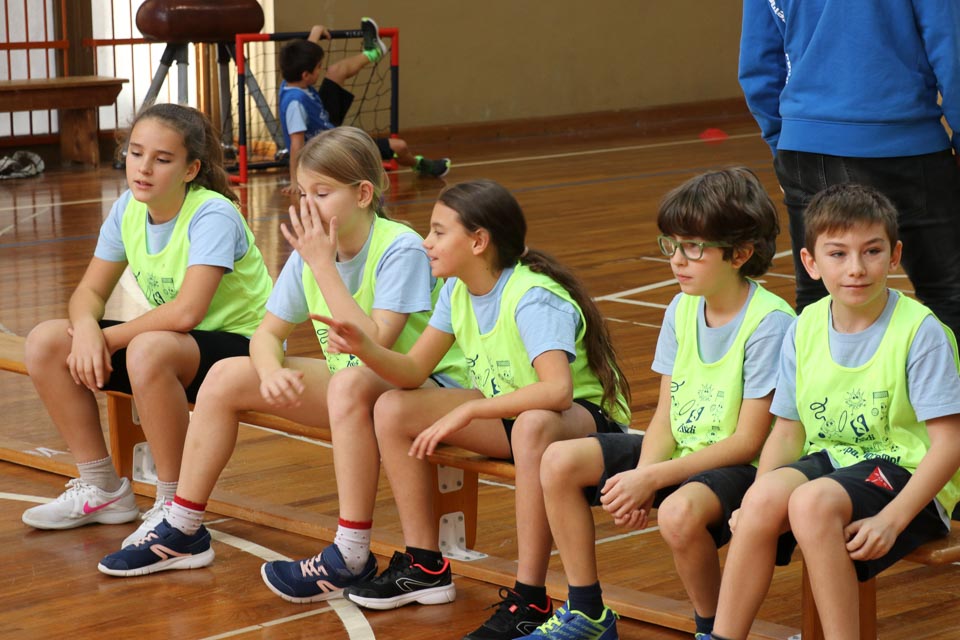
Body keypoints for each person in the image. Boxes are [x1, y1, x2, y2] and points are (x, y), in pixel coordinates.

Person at [97, 126, 466, 586]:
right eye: (302, 193)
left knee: (350, 380)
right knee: (227, 376)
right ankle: (183, 527)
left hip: (421, 387)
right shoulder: (313, 249)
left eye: (322, 194)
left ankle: (350, 553)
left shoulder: (399, 247)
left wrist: (323, 266)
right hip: (355, 385)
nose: (308, 206)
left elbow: (374, 343)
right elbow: (267, 334)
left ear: (363, 194)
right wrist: (270, 371)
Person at [313, 179, 632, 640]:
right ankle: (424, 564)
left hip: (584, 421)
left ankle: (530, 598)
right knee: (393, 408)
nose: (427, 242)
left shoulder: (532, 296)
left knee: (531, 426)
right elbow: (412, 371)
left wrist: (470, 412)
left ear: (479, 241)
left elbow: (557, 391)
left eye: (439, 232)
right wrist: (365, 347)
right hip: (515, 414)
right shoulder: (456, 291)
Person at [517, 168, 794, 640]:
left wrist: (652, 478)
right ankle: (587, 611)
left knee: (678, 513)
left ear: (740, 253)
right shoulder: (681, 307)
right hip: (682, 454)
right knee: (559, 460)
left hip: (743, 468)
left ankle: (713, 630)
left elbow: (748, 442)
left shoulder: (770, 323)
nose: (677, 260)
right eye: (672, 245)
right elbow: (665, 413)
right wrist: (643, 474)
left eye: (694, 247)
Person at [707, 184, 960, 640]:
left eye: (872, 251)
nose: (856, 268)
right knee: (759, 499)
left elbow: (949, 445)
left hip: (906, 477)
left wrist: (891, 519)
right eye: (838, 254)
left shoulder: (921, 332)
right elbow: (787, 432)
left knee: (811, 501)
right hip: (835, 462)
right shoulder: (804, 326)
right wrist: (751, 504)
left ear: (895, 255)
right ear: (811, 262)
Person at [21, 103, 273, 550]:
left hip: (245, 351)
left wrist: (104, 338)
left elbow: (186, 312)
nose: (143, 168)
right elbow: (88, 293)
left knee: (147, 348)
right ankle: (101, 487)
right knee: (47, 342)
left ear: (191, 169)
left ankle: (173, 506)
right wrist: (86, 330)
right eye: (136, 153)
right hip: (175, 347)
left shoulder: (212, 214)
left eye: (162, 159)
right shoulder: (128, 209)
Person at [738, 0, 960, 343]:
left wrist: (785, 142)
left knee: (817, 301)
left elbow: (758, 65)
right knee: (950, 295)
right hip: (904, 142)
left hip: (805, 148)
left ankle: (820, 383)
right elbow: (949, 45)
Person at [279, 17, 450, 197]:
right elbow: (296, 145)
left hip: (324, 126)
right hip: (328, 152)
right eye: (318, 67)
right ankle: (421, 165)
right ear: (306, 75)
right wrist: (296, 180)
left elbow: (307, 55)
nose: (320, 70)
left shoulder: (291, 81)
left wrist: (315, 32)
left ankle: (374, 52)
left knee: (336, 72)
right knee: (399, 146)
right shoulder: (295, 104)